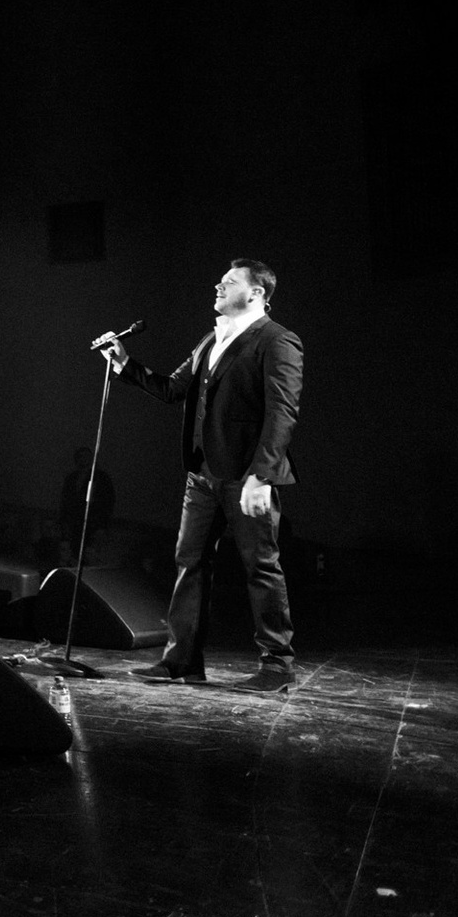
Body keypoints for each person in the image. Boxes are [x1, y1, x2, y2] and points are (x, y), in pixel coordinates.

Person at [100, 258, 303, 693]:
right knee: (189, 562)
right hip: (203, 475)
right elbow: (172, 389)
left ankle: (277, 665)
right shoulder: (212, 338)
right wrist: (124, 363)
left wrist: (262, 476)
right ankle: (182, 661)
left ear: (256, 293)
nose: (218, 285)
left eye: (229, 282)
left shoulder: (277, 340)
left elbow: (282, 413)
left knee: (261, 567)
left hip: (246, 476)